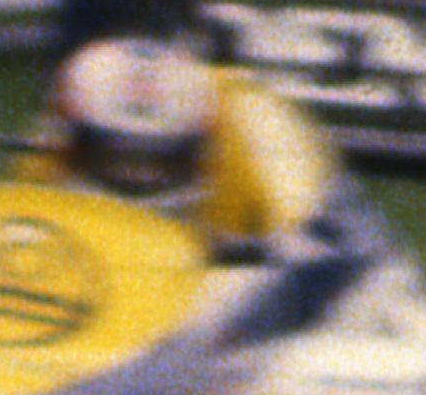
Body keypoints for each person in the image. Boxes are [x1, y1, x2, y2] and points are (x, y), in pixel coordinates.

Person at [24, 16, 343, 245]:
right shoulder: (40, 171)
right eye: (112, 157)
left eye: (156, 163)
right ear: (69, 148)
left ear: (203, 153)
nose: (136, 177)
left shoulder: (249, 178)